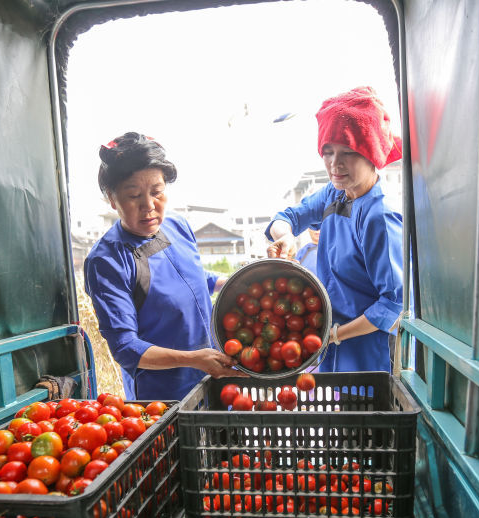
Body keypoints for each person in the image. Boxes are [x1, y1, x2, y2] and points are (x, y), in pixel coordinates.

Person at [83, 132, 242, 400]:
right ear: (112, 199)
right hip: (164, 398)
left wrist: (230, 282)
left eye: (157, 192)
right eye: (133, 195)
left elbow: (188, 277)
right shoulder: (107, 261)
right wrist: (193, 359)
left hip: (216, 374)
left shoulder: (176, 226)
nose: (149, 206)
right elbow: (125, 347)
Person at [266, 87, 404, 373]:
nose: (334, 164)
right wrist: (286, 236)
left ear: (372, 155)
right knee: (338, 409)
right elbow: (288, 216)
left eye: (348, 152)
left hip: (369, 350)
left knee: (366, 409)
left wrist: (336, 335)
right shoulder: (335, 194)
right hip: (332, 342)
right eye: (327, 152)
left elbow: (391, 306)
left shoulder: (380, 217)